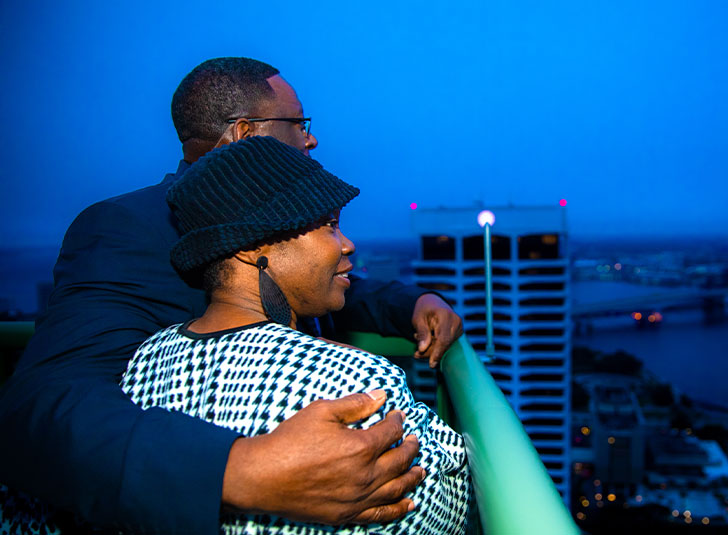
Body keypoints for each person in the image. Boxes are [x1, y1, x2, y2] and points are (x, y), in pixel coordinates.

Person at [0, 57, 462, 534]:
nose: (311, 138)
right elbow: (40, 402)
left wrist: (411, 302)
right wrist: (237, 470)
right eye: (298, 124)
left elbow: (304, 281)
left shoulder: (263, 230)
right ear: (245, 134)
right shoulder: (127, 228)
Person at [124, 135, 472, 534]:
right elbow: (445, 513)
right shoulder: (349, 381)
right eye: (328, 225)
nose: (347, 244)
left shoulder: (145, 360)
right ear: (252, 247)